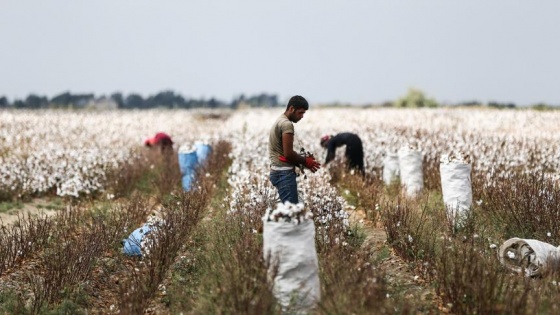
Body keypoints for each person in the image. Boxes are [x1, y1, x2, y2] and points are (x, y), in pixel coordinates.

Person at [268, 95, 321, 204]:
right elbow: (288, 154)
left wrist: (303, 161)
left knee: (292, 210)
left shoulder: (280, 120)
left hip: (279, 172)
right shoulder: (286, 124)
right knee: (291, 212)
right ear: (291, 109)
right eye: (300, 113)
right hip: (283, 174)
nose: (302, 116)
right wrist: (306, 161)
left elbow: (284, 153)